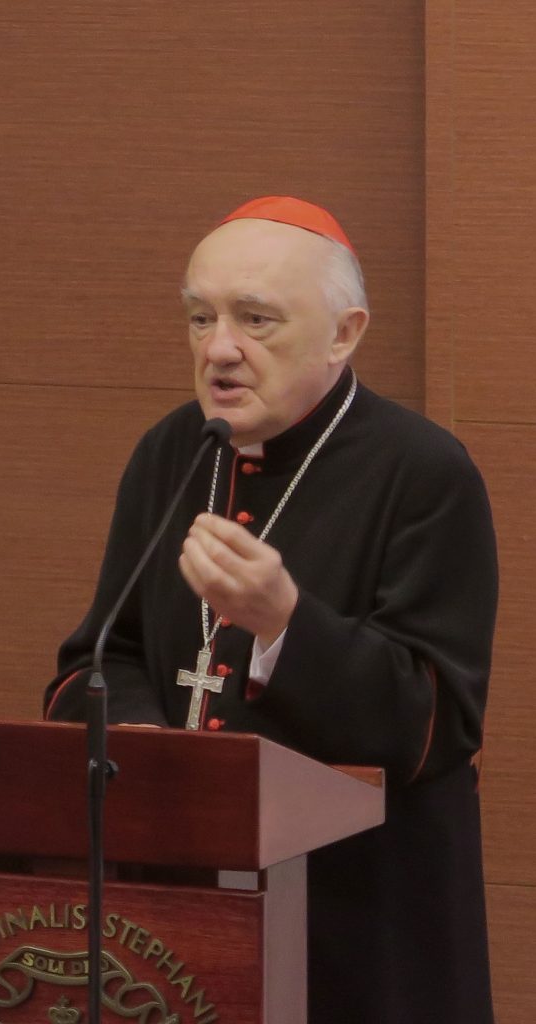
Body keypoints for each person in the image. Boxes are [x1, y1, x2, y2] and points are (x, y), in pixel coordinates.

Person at [44, 196, 498, 1023]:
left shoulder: (424, 472)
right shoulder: (171, 451)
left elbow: (435, 722)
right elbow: (97, 660)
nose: (218, 349)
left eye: (255, 320)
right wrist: (141, 738)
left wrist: (285, 624)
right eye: (200, 317)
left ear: (342, 334)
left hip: (357, 921)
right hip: (174, 902)